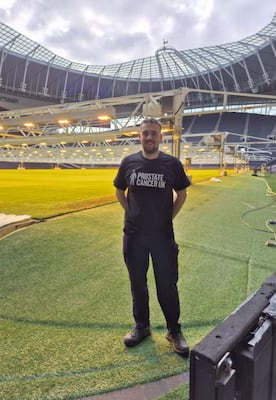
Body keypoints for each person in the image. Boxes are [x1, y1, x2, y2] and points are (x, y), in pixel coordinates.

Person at [113, 117, 191, 357]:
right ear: (140, 136)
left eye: (153, 134)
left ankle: (173, 330)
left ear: (160, 137)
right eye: (145, 133)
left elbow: (181, 194)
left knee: (167, 285)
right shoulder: (129, 163)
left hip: (162, 237)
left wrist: (168, 217)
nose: (149, 137)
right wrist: (131, 212)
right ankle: (142, 327)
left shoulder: (172, 164)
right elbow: (119, 191)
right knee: (138, 284)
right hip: (134, 236)